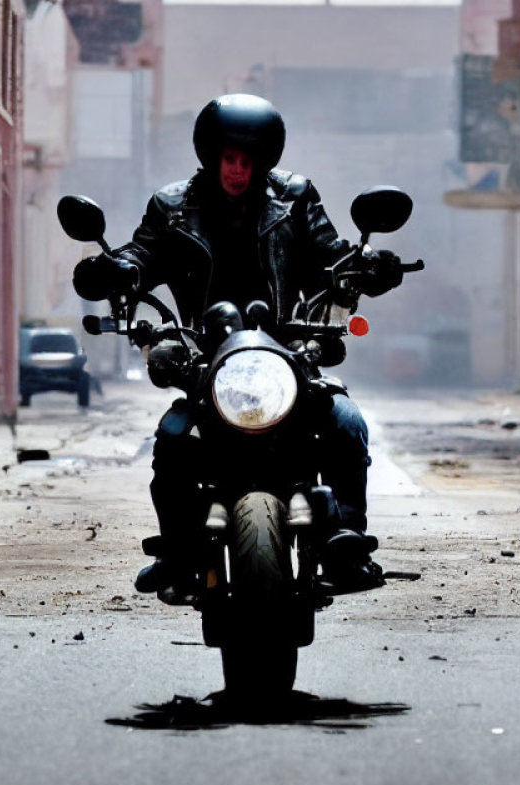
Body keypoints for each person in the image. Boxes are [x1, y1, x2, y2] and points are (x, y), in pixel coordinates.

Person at [73, 94, 405, 598]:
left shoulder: (294, 198)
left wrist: (370, 265)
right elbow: (142, 254)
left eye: (247, 160)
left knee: (345, 421)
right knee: (175, 440)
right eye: (229, 158)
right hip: (206, 357)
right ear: (212, 155)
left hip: (287, 351)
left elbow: (332, 256)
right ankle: (179, 550)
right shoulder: (172, 206)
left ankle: (345, 538)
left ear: (263, 160)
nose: (237, 169)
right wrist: (116, 268)